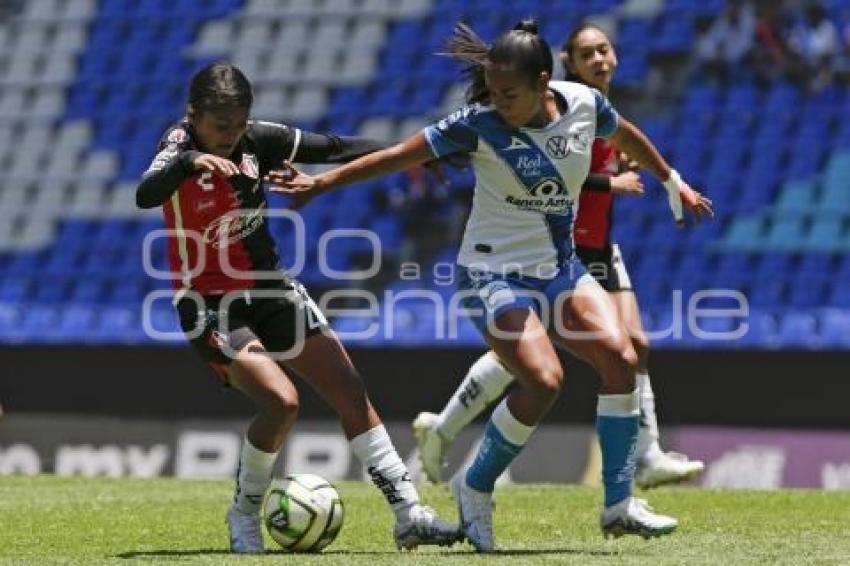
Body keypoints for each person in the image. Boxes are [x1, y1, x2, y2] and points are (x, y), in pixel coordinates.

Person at [272, 21, 709, 552]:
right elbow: (396, 156)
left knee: (621, 358)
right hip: (490, 273)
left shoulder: (583, 105)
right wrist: (321, 183)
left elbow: (625, 133)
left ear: (543, 82)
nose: (497, 102)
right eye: (493, 91)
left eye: (509, 93)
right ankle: (474, 485)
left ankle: (619, 505)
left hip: (560, 269)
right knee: (543, 380)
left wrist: (670, 181)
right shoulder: (478, 124)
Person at [135, 62, 460, 554]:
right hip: (211, 302)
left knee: (350, 391)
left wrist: (412, 155)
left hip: (272, 288)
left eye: (239, 124)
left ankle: (408, 512)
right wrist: (188, 164)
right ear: (194, 115)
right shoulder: (176, 147)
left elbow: (333, 147)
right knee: (281, 402)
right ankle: (244, 513)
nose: (230, 136)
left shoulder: (256, 141)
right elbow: (146, 193)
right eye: (220, 127)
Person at [411, 23, 708, 490]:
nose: (600, 61)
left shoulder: (595, 112)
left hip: (595, 245)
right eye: (588, 54)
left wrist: (665, 177)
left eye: (605, 50)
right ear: (564, 65)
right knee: (537, 361)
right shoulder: (539, 113)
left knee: (632, 346)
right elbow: (543, 174)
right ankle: (448, 435)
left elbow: (619, 148)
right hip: (551, 251)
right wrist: (612, 182)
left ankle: (644, 457)